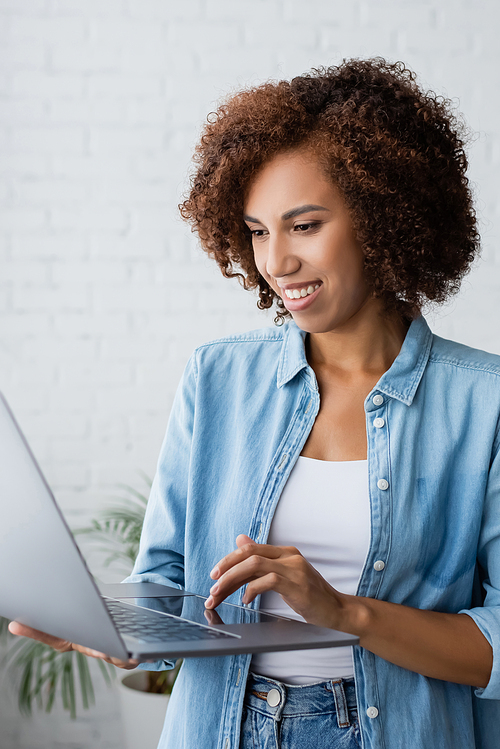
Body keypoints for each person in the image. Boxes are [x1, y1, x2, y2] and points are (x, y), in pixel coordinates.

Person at [9, 58, 500, 749]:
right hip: (220, 729)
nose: (276, 261)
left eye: (303, 226)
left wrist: (341, 611)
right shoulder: (216, 377)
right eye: (258, 230)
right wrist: (111, 626)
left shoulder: (483, 402)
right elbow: (167, 581)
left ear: (385, 216)